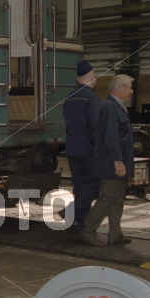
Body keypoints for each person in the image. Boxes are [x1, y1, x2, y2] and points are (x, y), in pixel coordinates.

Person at [79, 74, 135, 247]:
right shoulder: (111, 107)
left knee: (118, 197)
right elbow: (111, 137)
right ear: (120, 88)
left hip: (118, 162)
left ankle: (115, 234)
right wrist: (117, 160)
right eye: (130, 88)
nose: (132, 91)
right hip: (111, 163)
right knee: (108, 196)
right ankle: (88, 230)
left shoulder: (117, 106)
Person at [61, 60, 101, 233]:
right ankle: (71, 212)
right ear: (92, 77)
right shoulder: (92, 98)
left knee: (80, 186)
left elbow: (68, 126)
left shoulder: (69, 98)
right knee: (95, 184)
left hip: (72, 149)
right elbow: (95, 126)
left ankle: (80, 225)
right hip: (88, 150)